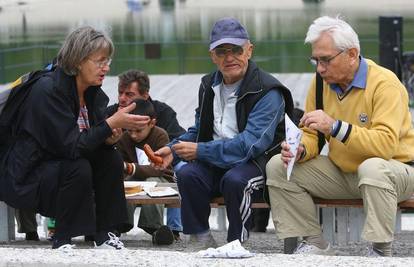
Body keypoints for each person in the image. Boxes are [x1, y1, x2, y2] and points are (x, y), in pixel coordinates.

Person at [266, 15, 414, 257]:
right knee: (278, 166)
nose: (320, 68)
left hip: (396, 173)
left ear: (352, 54)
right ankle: (315, 243)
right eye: (315, 60)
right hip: (344, 173)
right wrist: (301, 148)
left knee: (373, 168)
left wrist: (335, 127)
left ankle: (380, 251)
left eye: (326, 60)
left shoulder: (385, 83)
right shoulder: (320, 82)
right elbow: (312, 134)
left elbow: (385, 147)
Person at [0, 26, 150, 249]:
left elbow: (89, 141)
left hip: (61, 166)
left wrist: (108, 138)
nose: (106, 68)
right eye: (100, 61)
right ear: (79, 60)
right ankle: (63, 237)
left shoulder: (93, 93)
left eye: (108, 61)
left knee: (110, 159)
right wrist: (110, 124)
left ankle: (105, 233)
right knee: (77, 166)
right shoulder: (47, 90)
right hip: (26, 174)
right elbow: (70, 147)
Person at [155, 17, 294, 247]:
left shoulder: (269, 91)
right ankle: (200, 238)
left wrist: (199, 150)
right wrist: (172, 150)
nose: (229, 57)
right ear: (212, 56)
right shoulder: (208, 84)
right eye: (221, 51)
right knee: (187, 174)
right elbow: (200, 130)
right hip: (216, 158)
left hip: (257, 161)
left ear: (249, 50)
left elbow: (250, 145)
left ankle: (236, 243)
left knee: (235, 180)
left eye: (236, 49)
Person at [106, 69, 184, 238]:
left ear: (145, 94)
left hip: (162, 168)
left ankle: (170, 229)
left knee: (176, 172)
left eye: (129, 94)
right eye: (120, 93)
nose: (122, 99)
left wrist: (136, 167)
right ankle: (119, 223)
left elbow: (176, 145)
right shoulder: (113, 114)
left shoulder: (163, 114)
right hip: (129, 172)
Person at [116, 99, 176, 245]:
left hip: (160, 179)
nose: (134, 135)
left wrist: (132, 168)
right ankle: (120, 224)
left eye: (138, 130)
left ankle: (155, 228)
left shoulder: (160, 135)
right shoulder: (124, 139)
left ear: (152, 123)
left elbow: (159, 169)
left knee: (152, 185)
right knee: (124, 185)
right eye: (130, 130)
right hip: (133, 178)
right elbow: (121, 169)